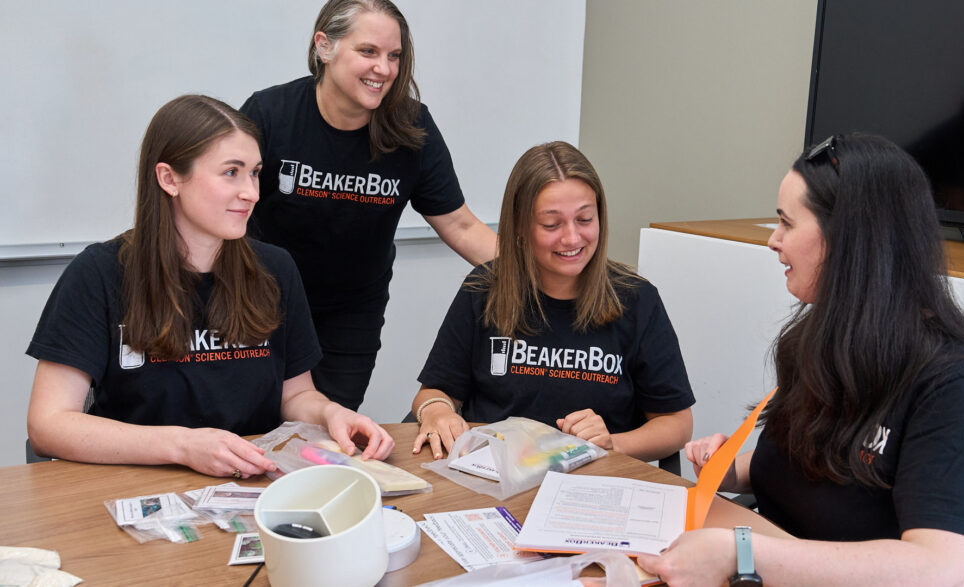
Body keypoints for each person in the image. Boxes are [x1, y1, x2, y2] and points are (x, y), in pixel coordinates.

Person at [637, 134, 964, 586]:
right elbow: (812, 470)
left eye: (787, 224)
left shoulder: (953, 382)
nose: (773, 241)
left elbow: (937, 570)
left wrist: (743, 554)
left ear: (850, 239)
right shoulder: (817, 339)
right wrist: (732, 468)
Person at [26, 95, 394, 479]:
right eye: (231, 172)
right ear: (170, 179)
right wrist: (184, 445)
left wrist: (331, 412)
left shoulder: (276, 268)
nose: (251, 192)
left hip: (250, 485)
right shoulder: (99, 273)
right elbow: (48, 424)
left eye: (254, 172)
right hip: (136, 487)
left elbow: (295, 394)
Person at [240, 0, 497, 411]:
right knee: (253, 425)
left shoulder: (412, 127)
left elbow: (460, 225)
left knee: (324, 433)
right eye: (368, 52)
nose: (385, 68)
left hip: (351, 314)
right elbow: (225, 208)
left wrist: (537, 276)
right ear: (324, 47)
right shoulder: (270, 114)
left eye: (394, 56)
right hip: (259, 302)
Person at [410, 141, 694, 463]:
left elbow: (677, 424)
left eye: (585, 219)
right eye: (551, 224)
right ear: (520, 227)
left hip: (593, 484)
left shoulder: (636, 299)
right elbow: (435, 391)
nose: (572, 238)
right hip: (495, 474)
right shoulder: (483, 289)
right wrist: (435, 411)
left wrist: (611, 443)